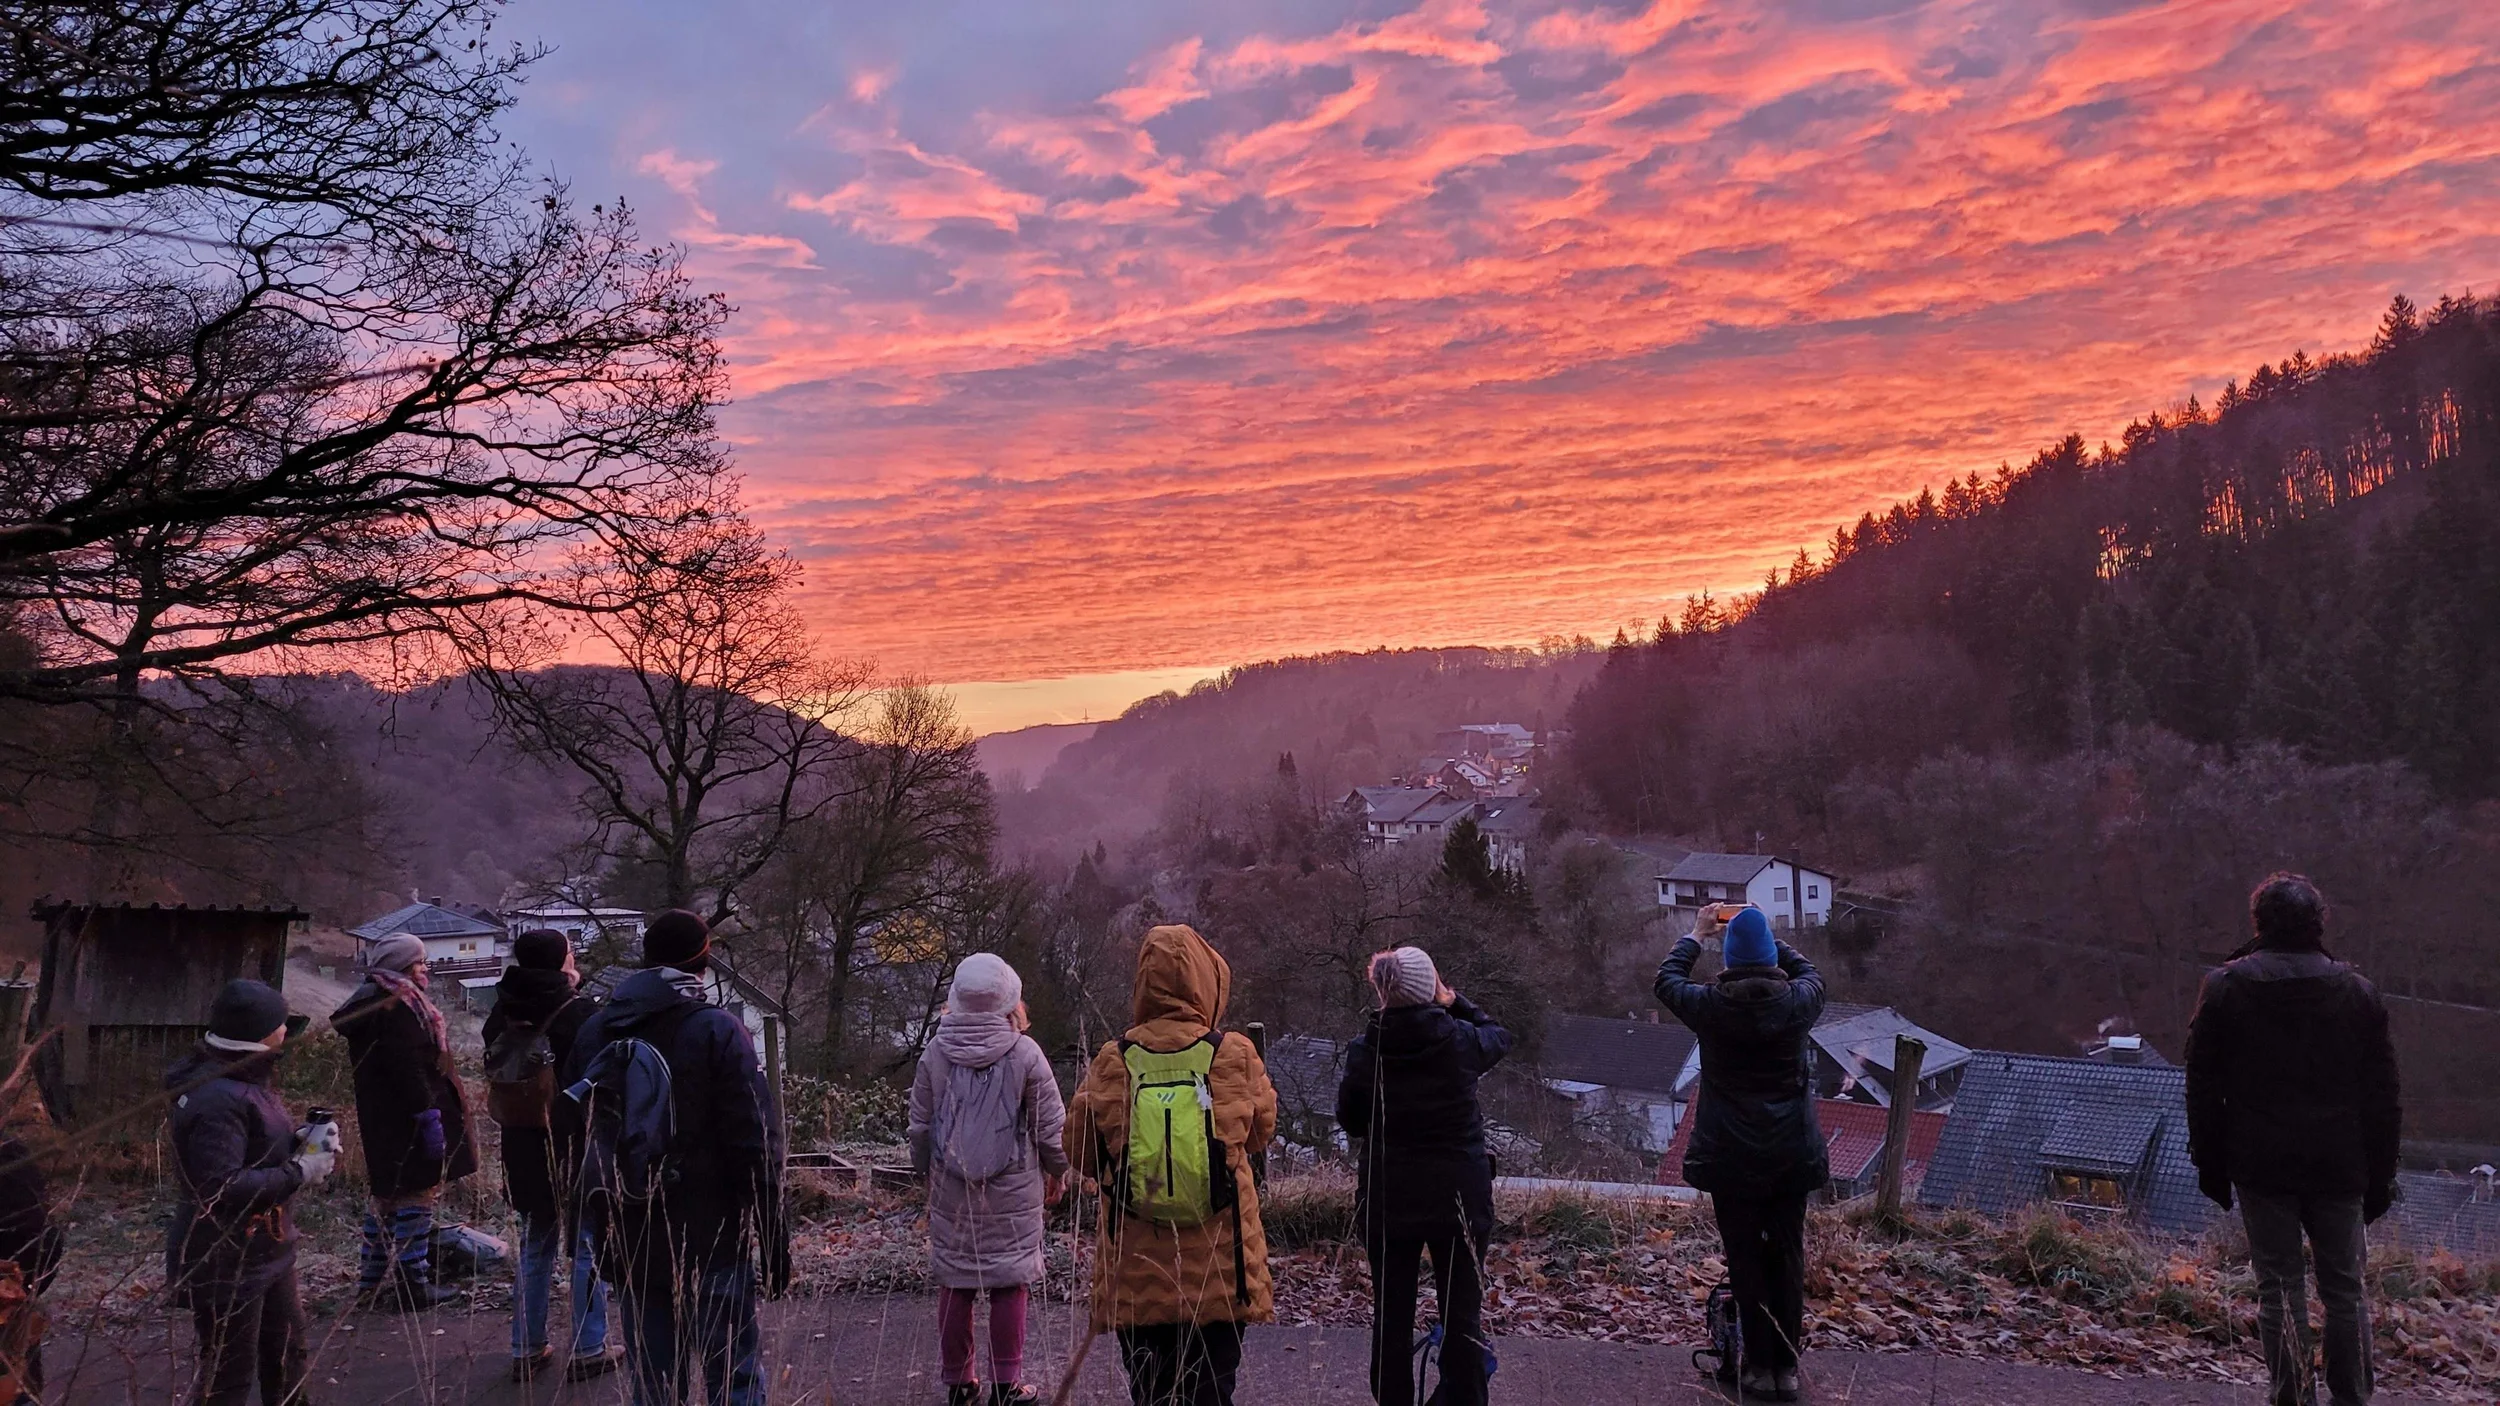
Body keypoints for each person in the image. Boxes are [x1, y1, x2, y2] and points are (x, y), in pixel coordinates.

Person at [2187, 873, 2399, 1406]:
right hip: (2339, 1162)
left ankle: (2292, 1396)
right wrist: (2381, 1173)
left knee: (2278, 1286)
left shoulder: (2228, 988)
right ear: (2318, 922)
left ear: (2260, 922)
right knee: (2345, 1288)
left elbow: (2203, 1086)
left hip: (2263, 1162)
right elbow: (2383, 1095)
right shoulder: (2356, 993)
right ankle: (2351, 1396)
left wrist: (2210, 1162)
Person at [568, 909, 785, 1406]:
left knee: (655, 1380)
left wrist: (592, 1226)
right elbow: (753, 1139)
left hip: (630, 1232)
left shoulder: (597, 1030)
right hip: (712, 1234)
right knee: (733, 1373)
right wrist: (772, 1229)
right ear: (702, 963)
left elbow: (578, 1135)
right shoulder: (718, 1030)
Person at [1065, 925, 1277, 1406]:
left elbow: (1078, 1150)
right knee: (1211, 1390)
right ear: (1208, 983)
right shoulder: (1234, 1054)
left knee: (1151, 1392)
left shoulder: (1113, 1060)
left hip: (1137, 1274)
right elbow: (1261, 1132)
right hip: (1220, 1272)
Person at [1655, 905, 1825, 1405]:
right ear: (1772, 954)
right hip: (1790, 1152)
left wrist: (1698, 934)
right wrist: (1765, 933)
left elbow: (1667, 979)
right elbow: (1809, 971)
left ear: (1728, 960)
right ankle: (1786, 1370)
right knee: (1788, 1255)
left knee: (1745, 1257)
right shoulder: (1799, 1003)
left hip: (1731, 1154)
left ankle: (1756, 1369)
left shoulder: (1710, 1005)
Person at [1335, 946, 1511, 1406]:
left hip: (1388, 1197)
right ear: (1430, 988)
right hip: (1460, 1197)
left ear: (1381, 992)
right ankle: (1461, 1398)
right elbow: (1500, 1034)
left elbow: (1351, 1121)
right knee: (1462, 1315)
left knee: (1391, 1314)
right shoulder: (1460, 1043)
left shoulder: (1364, 1051)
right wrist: (1455, 1000)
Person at [909, 953, 1070, 1406]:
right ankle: (1007, 1386)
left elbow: (920, 1126)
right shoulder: (1025, 1053)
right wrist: (1060, 1172)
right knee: (1009, 1282)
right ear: (1011, 1002)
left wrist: (925, 1172)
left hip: (950, 1186)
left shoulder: (935, 1052)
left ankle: (960, 1384)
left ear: (955, 1001)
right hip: (1014, 1190)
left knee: (955, 1282)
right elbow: (1050, 1129)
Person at [165, 979, 335, 1406]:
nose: (286, 1032)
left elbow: (244, 1150)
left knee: (288, 1356)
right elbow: (220, 1186)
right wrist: (300, 1171)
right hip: (226, 1258)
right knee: (228, 1378)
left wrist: (295, 1142)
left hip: (266, 1250)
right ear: (261, 1034)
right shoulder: (217, 1096)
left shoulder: (238, 1075)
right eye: (281, 1025)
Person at [484, 928, 619, 1382]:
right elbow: (604, 1078)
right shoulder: (579, 1013)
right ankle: (589, 1345)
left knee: (536, 1244)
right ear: (560, 961)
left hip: (521, 1142)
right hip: (574, 1141)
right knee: (586, 1243)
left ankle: (526, 1346)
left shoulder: (502, 1010)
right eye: (569, 952)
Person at [331, 930, 478, 1309]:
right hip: (408, 1119)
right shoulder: (396, 1007)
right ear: (403, 967)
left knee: (387, 1198)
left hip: (383, 1119)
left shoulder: (380, 1000)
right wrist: (429, 1116)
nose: (425, 968)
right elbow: (408, 1067)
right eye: (420, 962)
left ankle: (371, 1281)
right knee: (416, 1195)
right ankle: (414, 1283)